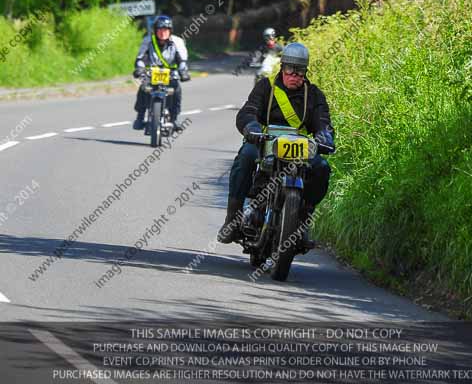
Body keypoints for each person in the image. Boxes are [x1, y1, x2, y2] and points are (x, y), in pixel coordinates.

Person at [218, 41, 335, 243]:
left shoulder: (314, 95)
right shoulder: (266, 86)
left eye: (299, 72)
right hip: (265, 142)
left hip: (299, 148)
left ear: (305, 72)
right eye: (290, 69)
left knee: (322, 168)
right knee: (245, 157)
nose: (294, 75)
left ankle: (303, 217)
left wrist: (325, 138)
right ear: (283, 67)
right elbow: (249, 111)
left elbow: (323, 123)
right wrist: (252, 128)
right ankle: (233, 219)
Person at [132, 15, 190, 130]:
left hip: (170, 74)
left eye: (166, 30)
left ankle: (174, 119)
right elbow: (141, 58)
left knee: (177, 90)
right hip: (152, 73)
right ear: (155, 30)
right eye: (160, 29)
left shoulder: (177, 42)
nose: (163, 33)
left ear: (170, 31)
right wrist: (139, 68)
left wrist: (183, 71)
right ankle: (140, 116)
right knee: (143, 87)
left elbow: (182, 60)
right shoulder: (148, 41)